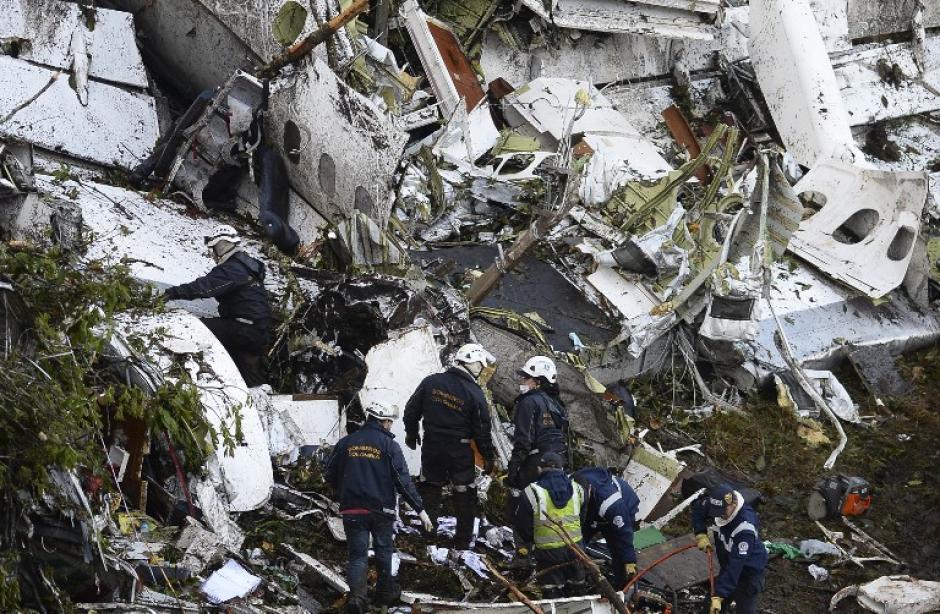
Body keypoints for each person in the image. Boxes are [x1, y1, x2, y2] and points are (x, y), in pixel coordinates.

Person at [325, 401, 434, 614]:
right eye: (390, 423)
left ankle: (357, 599)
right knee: (384, 551)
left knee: (357, 555)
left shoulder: (346, 442)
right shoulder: (389, 446)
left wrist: (344, 493)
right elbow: (402, 481)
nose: (390, 427)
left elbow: (329, 473)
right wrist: (420, 509)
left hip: (352, 509)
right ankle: (384, 597)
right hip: (381, 510)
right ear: (384, 421)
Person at [403, 343, 496, 548]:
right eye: (480, 366)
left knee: (430, 489)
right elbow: (482, 430)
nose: (481, 370)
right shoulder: (475, 393)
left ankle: (428, 535)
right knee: (464, 493)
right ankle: (462, 541)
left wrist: (411, 433)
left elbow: (411, 410)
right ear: (473, 364)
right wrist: (488, 457)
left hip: (432, 445)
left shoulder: (431, 382)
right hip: (459, 451)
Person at [162, 225, 271, 386]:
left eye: (213, 249)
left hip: (240, 329)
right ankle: (260, 398)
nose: (212, 255)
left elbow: (204, 287)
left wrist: (171, 293)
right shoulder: (248, 268)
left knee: (194, 327)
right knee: (251, 380)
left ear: (221, 246)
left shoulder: (233, 269)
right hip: (257, 332)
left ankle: (183, 374)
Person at [515, 452, 587, 598]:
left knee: (552, 593)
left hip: (547, 554)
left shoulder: (531, 492)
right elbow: (583, 516)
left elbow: (522, 526)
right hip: (576, 549)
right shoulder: (578, 489)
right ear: (562, 468)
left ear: (540, 469)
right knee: (578, 592)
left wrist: (532, 541)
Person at [692, 484, 768, 614]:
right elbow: (698, 509)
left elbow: (736, 566)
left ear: (732, 505)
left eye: (722, 512)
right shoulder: (717, 504)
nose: (720, 516)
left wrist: (719, 595)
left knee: (745, 610)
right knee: (710, 607)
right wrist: (700, 533)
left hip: (748, 572)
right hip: (728, 566)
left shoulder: (745, 528)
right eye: (716, 512)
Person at [572, 467, 640, 590]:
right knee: (577, 545)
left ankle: (622, 588)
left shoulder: (611, 502)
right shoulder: (570, 485)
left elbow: (624, 534)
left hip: (623, 508)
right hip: (592, 512)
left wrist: (629, 561)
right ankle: (575, 580)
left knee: (619, 552)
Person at [507, 355, 569, 489]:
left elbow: (524, 441)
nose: (522, 380)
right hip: (559, 461)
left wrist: (513, 470)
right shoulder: (558, 405)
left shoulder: (528, 402)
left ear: (538, 381)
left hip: (536, 463)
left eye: (526, 377)